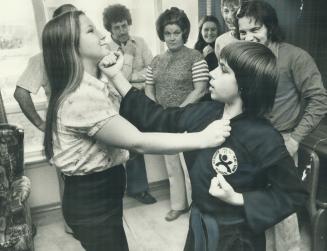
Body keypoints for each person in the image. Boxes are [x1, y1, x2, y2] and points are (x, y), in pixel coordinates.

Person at [42, 10, 230, 251]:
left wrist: (114, 75)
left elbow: (140, 114)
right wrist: (202, 138)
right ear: (70, 46)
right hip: (92, 198)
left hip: (100, 193)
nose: (102, 35)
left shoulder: (91, 86)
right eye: (91, 30)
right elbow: (138, 141)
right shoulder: (81, 96)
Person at [102, 40, 308, 251]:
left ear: (246, 83)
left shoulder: (264, 136)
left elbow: (293, 193)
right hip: (199, 225)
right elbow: (156, 117)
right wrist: (115, 76)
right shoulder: (204, 112)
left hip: (237, 238)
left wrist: (238, 198)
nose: (212, 73)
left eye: (224, 70)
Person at [236, 1, 327, 250]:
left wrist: (295, 139)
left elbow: (320, 100)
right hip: (249, 142)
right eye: (243, 32)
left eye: (255, 30)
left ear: (270, 27)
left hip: (282, 142)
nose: (248, 37)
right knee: (254, 203)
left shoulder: (295, 57)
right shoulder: (245, 59)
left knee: (283, 209)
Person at [13, 3, 77, 235]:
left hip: (91, 126)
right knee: (67, 178)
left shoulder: (84, 53)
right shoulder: (41, 59)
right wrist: (42, 124)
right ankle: (72, 225)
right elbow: (20, 93)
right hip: (62, 129)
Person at [145, 7, 209, 221]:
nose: (171, 38)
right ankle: (178, 205)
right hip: (164, 120)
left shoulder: (195, 57)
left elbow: (200, 89)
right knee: (172, 165)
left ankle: (199, 207)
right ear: (162, 35)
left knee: (192, 164)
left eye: (176, 33)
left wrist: (179, 111)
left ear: (184, 33)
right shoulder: (156, 60)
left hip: (189, 118)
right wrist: (157, 111)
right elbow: (149, 88)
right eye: (167, 33)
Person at [103, 4, 156, 204]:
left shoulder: (140, 42)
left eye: (124, 26)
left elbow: (153, 71)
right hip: (117, 104)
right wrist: (130, 57)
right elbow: (117, 82)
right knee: (121, 147)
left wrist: (132, 76)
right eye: (116, 27)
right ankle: (116, 194)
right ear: (110, 29)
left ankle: (139, 189)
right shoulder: (106, 50)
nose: (122, 31)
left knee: (137, 144)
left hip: (141, 100)